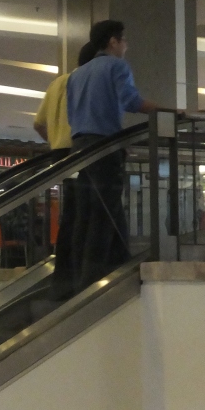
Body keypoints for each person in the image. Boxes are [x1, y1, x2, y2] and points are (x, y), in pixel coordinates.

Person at [65, 21, 160, 291]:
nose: (126, 46)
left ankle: (78, 276)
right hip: (103, 146)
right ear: (113, 42)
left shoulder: (76, 75)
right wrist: (167, 111)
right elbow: (131, 101)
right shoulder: (117, 66)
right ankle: (93, 279)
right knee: (104, 212)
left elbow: (72, 115)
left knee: (84, 213)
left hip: (78, 147)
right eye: (123, 41)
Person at [36, 41, 97, 299]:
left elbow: (38, 123)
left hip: (60, 155)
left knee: (71, 213)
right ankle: (80, 274)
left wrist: (54, 142)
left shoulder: (57, 83)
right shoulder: (87, 83)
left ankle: (63, 277)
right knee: (84, 213)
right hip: (79, 151)